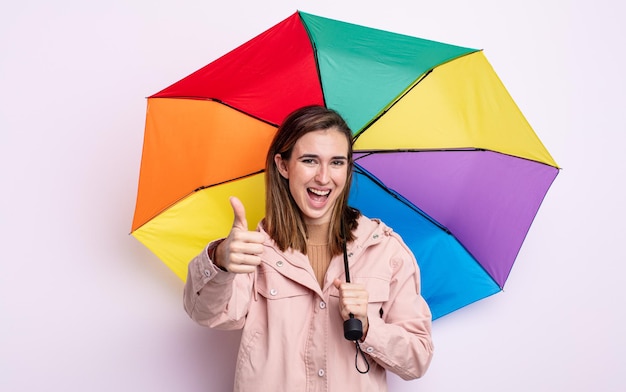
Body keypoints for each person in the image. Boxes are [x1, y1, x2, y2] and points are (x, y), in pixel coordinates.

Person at [183, 105, 434, 391]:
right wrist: (220, 260)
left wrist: (367, 327)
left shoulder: (385, 251)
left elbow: (418, 358)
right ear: (283, 165)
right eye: (310, 160)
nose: (324, 178)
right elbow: (207, 313)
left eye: (337, 162)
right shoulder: (254, 251)